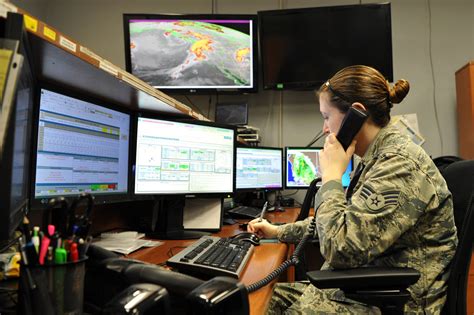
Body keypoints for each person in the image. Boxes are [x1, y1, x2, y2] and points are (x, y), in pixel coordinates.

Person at [248, 65, 458, 314]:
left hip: (393, 300)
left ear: (356, 113)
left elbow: (340, 248)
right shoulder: (376, 157)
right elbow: (342, 221)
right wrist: (278, 230)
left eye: (327, 117)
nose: (325, 128)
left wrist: (331, 177)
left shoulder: (399, 165)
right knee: (254, 298)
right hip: (363, 286)